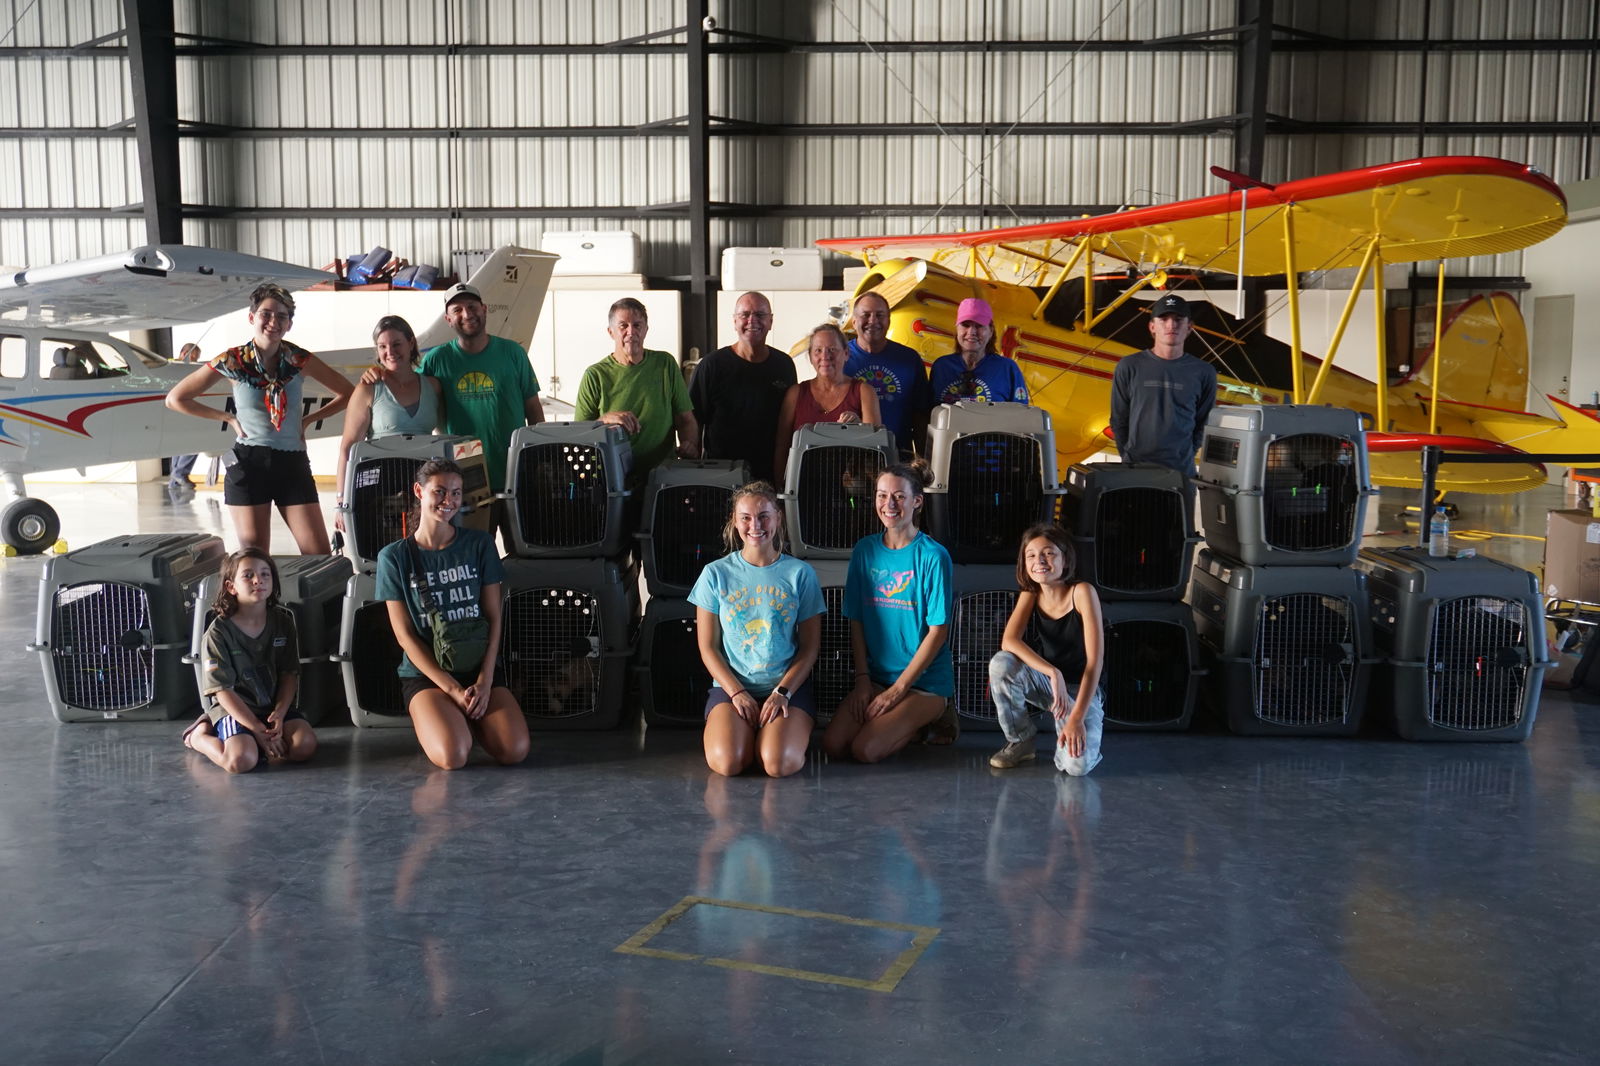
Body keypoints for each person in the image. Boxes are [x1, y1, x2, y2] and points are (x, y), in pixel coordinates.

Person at [165, 283, 353, 554]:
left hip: (292, 462)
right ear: (252, 317)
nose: (273, 322)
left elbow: (348, 393)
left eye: (282, 316)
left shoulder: (299, 359)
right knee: (255, 557)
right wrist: (227, 418)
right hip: (249, 462)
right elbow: (176, 399)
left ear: (289, 324)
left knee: (318, 555)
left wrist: (308, 420)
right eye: (266, 314)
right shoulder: (232, 360)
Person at [377, 458, 530, 771]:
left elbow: (494, 617)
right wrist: (453, 691)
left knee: (514, 750)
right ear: (419, 491)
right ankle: (448, 717)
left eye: (456, 493)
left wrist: (485, 680)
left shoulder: (480, 544)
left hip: (477, 669)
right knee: (453, 756)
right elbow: (405, 636)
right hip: (428, 676)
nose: (449, 500)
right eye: (440, 491)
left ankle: (468, 718)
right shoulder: (393, 557)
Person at [823, 463, 958, 764]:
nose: (889, 504)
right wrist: (862, 680)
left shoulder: (934, 556)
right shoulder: (864, 551)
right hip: (877, 679)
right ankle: (901, 720)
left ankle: (936, 715)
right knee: (834, 745)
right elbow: (856, 619)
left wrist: (898, 691)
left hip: (924, 683)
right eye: (882, 495)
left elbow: (938, 632)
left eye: (899, 496)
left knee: (865, 750)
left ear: (917, 501)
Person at [689, 482, 824, 778]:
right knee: (728, 763)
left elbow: (809, 647)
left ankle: (772, 737)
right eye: (746, 518)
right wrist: (736, 692)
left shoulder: (800, 574)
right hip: (732, 688)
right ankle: (747, 734)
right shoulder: (715, 574)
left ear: (778, 518)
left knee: (779, 764)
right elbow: (708, 647)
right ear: (735, 522)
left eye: (764, 516)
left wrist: (782, 692)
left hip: (786, 688)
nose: (755, 526)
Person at [181, 548, 317, 774]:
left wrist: (280, 714)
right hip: (236, 710)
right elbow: (222, 690)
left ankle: (260, 742)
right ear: (231, 587)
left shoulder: (283, 622)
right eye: (248, 575)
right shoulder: (218, 633)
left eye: (265, 574)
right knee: (241, 761)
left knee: (304, 746)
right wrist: (256, 728)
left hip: (272, 709)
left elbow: (289, 674)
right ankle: (199, 736)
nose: (258, 580)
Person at [987, 524, 1105, 776]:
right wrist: (1053, 672)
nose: (1039, 561)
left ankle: (1071, 737)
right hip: (1048, 684)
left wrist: (1076, 719)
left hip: (1081, 690)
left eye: (1049, 553)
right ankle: (1021, 740)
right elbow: (1009, 641)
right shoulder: (1031, 593)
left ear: (1065, 559)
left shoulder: (1082, 592)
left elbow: (1095, 663)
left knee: (1076, 767)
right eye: (1031, 555)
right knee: (1001, 663)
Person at [417, 283, 545, 493]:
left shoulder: (513, 352)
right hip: (459, 479)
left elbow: (533, 407)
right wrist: (380, 374)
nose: (467, 314)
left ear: (484, 310)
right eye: (457, 310)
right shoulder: (436, 360)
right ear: (448, 319)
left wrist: (541, 456)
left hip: (514, 471)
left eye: (472, 307)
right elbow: (408, 391)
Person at [574, 297, 700, 481]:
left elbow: (685, 419)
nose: (631, 332)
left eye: (637, 325)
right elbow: (578, 434)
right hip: (613, 478)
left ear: (646, 329)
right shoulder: (595, 375)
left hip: (662, 476)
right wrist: (605, 419)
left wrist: (690, 445)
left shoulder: (665, 364)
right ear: (611, 332)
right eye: (623, 326)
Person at [335, 315, 443, 528]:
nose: (390, 352)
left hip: (423, 485)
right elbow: (348, 448)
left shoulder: (433, 386)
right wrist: (341, 500)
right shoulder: (367, 389)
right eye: (382, 346)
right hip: (380, 489)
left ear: (411, 343)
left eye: (396, 344)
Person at [689, 291, 796, 484]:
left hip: (769, 476)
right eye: (745, 314)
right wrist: (694, 474)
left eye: (760, 314)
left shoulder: (784, 365)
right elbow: (693, 420)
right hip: (720, 476)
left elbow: (790, 421)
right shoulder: (711, 365)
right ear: (735, 321)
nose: (752, 320)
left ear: (770, 321)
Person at [1109, 292, 1217, 476]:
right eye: (1164, 319)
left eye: (1178, 320)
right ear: (1152, 326)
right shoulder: (1128, 366)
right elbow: (1119, 419)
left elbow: (1203, 422)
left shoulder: (1204, 372)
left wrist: (1186, 454)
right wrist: (1128, 458)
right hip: (1135, 471)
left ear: (1189, 327)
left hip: (1181, 473)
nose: (1171, 325)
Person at [773, 323, 883, 478]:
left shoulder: (864, 391)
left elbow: (876, 452)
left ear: (846, 353)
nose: (825, 356)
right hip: (801, 485)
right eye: (818, 350)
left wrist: (859, 428)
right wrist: (781, 487)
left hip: (853, 488)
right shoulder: (795, 393)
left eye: (832, 349)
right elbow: (782, 448)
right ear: (810, 356)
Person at [844, 290, 931, 458]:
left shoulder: (910, 359)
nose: (873, 321)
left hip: (900, 459)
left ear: (889, 321)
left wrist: (924, 461)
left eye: (880, 315)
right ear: (854, 322)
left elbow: (920, 416)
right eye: (866, 315)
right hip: (850, 458)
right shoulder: (840, 358)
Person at [928, 297, 1029, 406]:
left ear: (991, 331)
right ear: (957, 329)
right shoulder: (941, 367)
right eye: (965, 325)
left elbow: (1021, 412)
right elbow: (927, 410)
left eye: (979, 326)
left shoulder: (1008, 369)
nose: (971, 332)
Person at [167, 342, 204, 490]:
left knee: (179, 447)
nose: (195, 361)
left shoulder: (171, 367)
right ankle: (180, 473)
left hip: (175, 412)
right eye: (194, 357)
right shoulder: (178, 368)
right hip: (182, 410)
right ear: (184, 354)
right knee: (195, 441)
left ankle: (175, 482)